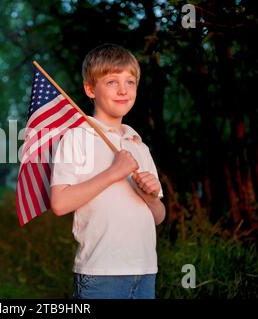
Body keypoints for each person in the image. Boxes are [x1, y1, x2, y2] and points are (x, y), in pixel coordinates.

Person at [50, 43, 166, 299]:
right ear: (90, 89)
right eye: (112, 81)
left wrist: (150, 196)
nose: (123, 90)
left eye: (130, 81)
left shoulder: (138, 145)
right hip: (101, 273)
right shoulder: (77, 138)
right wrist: (113, 173)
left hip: (145, 270)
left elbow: (158, 216)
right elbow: (59, 204)